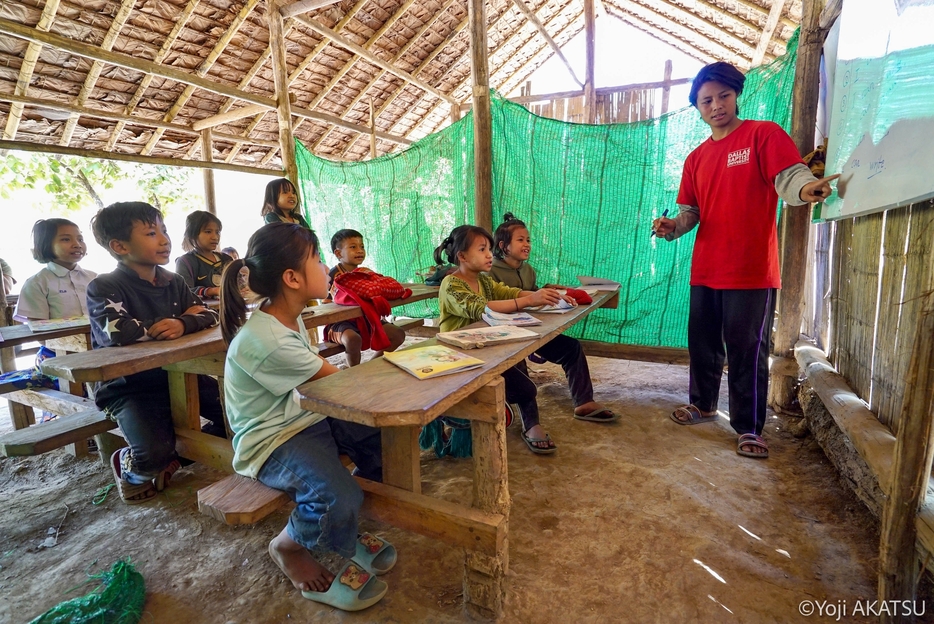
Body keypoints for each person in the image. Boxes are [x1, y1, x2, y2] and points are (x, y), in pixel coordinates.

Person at [652, 62, 838, 459]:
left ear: (736, 95)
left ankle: (748, 427)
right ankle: (702, 404)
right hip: (706, 267)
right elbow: (690, 213)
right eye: (706, 100)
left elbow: (790, 178)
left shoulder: (762, 134)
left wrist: (807, 190)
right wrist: (672, 226)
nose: (716, 105)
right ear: (697, 107)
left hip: (751, 269)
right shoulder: (695, 158)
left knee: (745, 347)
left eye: (723, 95)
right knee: (702, 343)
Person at [220, 222, 394, 611]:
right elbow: (341, 387)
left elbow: (325, 385)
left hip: (305, 416)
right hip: (272, 440)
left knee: (380, 439)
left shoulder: (288, 313)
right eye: (317, 259)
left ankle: (343, 530)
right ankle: (288, 549)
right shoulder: (266, 340)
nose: (325, 268)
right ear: (292, 277)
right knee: (336, 495)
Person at [88, 202, 227, 504]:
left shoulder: (173, 281)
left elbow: (208, 314)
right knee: (151, 455)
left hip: (179, 375)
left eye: (164, 231)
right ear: (119, 246)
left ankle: (173, 458)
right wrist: (164, 327)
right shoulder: (104, 286)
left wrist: (182, 322)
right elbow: (116, 331)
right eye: (151, 233)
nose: (164, 239)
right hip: (128, 386)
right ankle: (130, 466)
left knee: (238, 421)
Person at [436, 225, 566, 454]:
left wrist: (546, 297)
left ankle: (499, 408)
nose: (489, 255)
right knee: (512, 382)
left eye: (489, 249)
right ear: (462, 256)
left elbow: (509, 292)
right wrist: (528, 300)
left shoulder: (484, 281)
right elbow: (481, 309)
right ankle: (459, 411)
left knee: (526, 388)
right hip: (459, 358)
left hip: (485, 350)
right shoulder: (451, 284)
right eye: (482, 249)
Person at [489, 213, 617, 423]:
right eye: (520, 240)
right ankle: (531, 424)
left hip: (535, 329)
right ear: (504, 246)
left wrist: (547, 291)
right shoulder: (491, 272)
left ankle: (584, 403)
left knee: (571, 348)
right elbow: (495, 304)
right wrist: (532, 297)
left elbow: (531, 292)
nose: (527, 244)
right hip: (507, 335)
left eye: (528, 240)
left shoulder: (527, 269)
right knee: (519, 367)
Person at [324, 229, 404, 367]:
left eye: (362, 246)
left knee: (398, 334)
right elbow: (326, 304)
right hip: (341, 323)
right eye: (353, 247)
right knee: (352, 339)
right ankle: (354, 370)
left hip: (366, 318)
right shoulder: (333, 275)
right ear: (338, 253)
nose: (360, 250)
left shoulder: (365, 272)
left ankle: (369, 366)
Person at [13, 218, 96, 322]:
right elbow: (38, 328)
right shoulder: (37, 283)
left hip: (99, 338)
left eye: (80, 239)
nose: (77, 245)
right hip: (60, 338)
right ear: (46, 245)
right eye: (66, 239)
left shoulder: (94, 278)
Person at [175, 210, 233, 299]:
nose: (215, 237)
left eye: (217, 232)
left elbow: (238, 284)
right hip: (204, 312)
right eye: (208, 231)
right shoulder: (185, 262)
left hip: (230, 310)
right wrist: (211, 291)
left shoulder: (227, 259)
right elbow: (184, 291)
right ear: (192, 235)